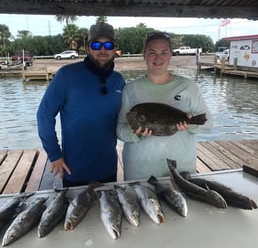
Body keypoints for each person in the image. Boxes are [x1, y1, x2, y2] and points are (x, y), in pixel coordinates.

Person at [37, 22, 125, 187]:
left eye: (108, 44)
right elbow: (44, 114)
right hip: (75, 170)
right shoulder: (66, 75)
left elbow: (126, 117)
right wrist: (54, 154)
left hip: (108, 167)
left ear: (115, 49)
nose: (102, 49)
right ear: (87, 48)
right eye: (96, 44)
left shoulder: (119, 80)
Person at [116, 32, 213, 180]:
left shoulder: (188, 86)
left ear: (170, 55)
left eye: (164, 52)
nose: (158, 57)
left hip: (181, 169)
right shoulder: (130, 89)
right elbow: (120, 129)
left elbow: (209, 124)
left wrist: (190, 124)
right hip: (140, 170)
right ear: (144, 55)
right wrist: (133, 134)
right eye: (152, 52)